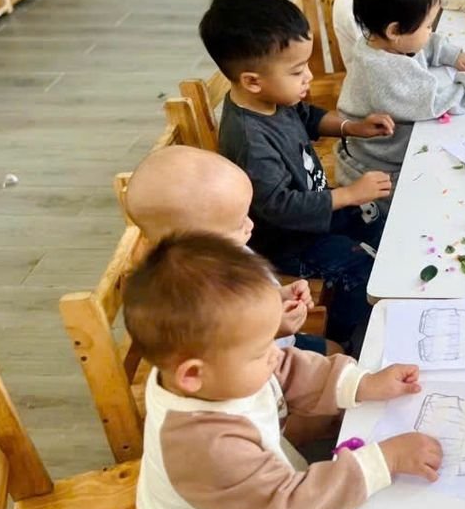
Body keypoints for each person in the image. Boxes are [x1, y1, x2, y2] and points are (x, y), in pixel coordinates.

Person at [128, 234, 442, 509]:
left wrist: (364, 384)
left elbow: (288, 370)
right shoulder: (205, 445)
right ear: (192, 375)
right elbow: (289, 501)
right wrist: (386, 460)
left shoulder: (213, 371)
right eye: (261, 350)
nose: (276, 353)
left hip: (253, 495)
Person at [199, 0, 395, 348]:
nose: (308, 77)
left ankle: (392, 283)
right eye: (297, 70)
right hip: (287, 240)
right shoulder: (249, 140)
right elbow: (280, 207)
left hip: (317, 208)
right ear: (252, 81)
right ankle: (349, 342)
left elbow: (307, 116)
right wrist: (348, 194)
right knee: (358, 269)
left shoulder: (273, 98)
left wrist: (352, 127)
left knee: (377, 219)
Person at [125, 144, 334, 353]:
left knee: (335, 349)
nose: (250, 225)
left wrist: (279, 296)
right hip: (260, 363)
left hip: (278, 339)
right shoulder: (188, 298)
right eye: (239, 223)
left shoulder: (226, 253)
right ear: (189, 245)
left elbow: (249, 298)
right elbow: (222, 353)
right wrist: (275, 329)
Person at [335, 0, 465, 189]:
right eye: (427, 25)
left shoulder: (381, 41)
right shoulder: (385, 72)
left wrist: (454, 56)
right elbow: (437, 102)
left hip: (387, 151)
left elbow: (422, 44)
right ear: (394, 30)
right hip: (378, 171)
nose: (430, 31)